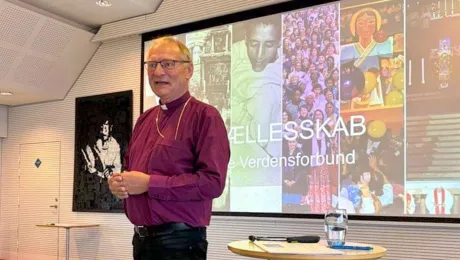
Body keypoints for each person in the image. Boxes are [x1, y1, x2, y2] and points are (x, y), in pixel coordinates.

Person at [108, 36, 230, 260]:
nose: (158, 72)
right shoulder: (145, 120)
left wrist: (149, 183)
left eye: (168, 64)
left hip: (180, 243)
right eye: (152, 65)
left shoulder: (205, 116)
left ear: (189, 70)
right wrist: (119, 184)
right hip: (141, 240)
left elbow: (212, 183)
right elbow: (129, 170)